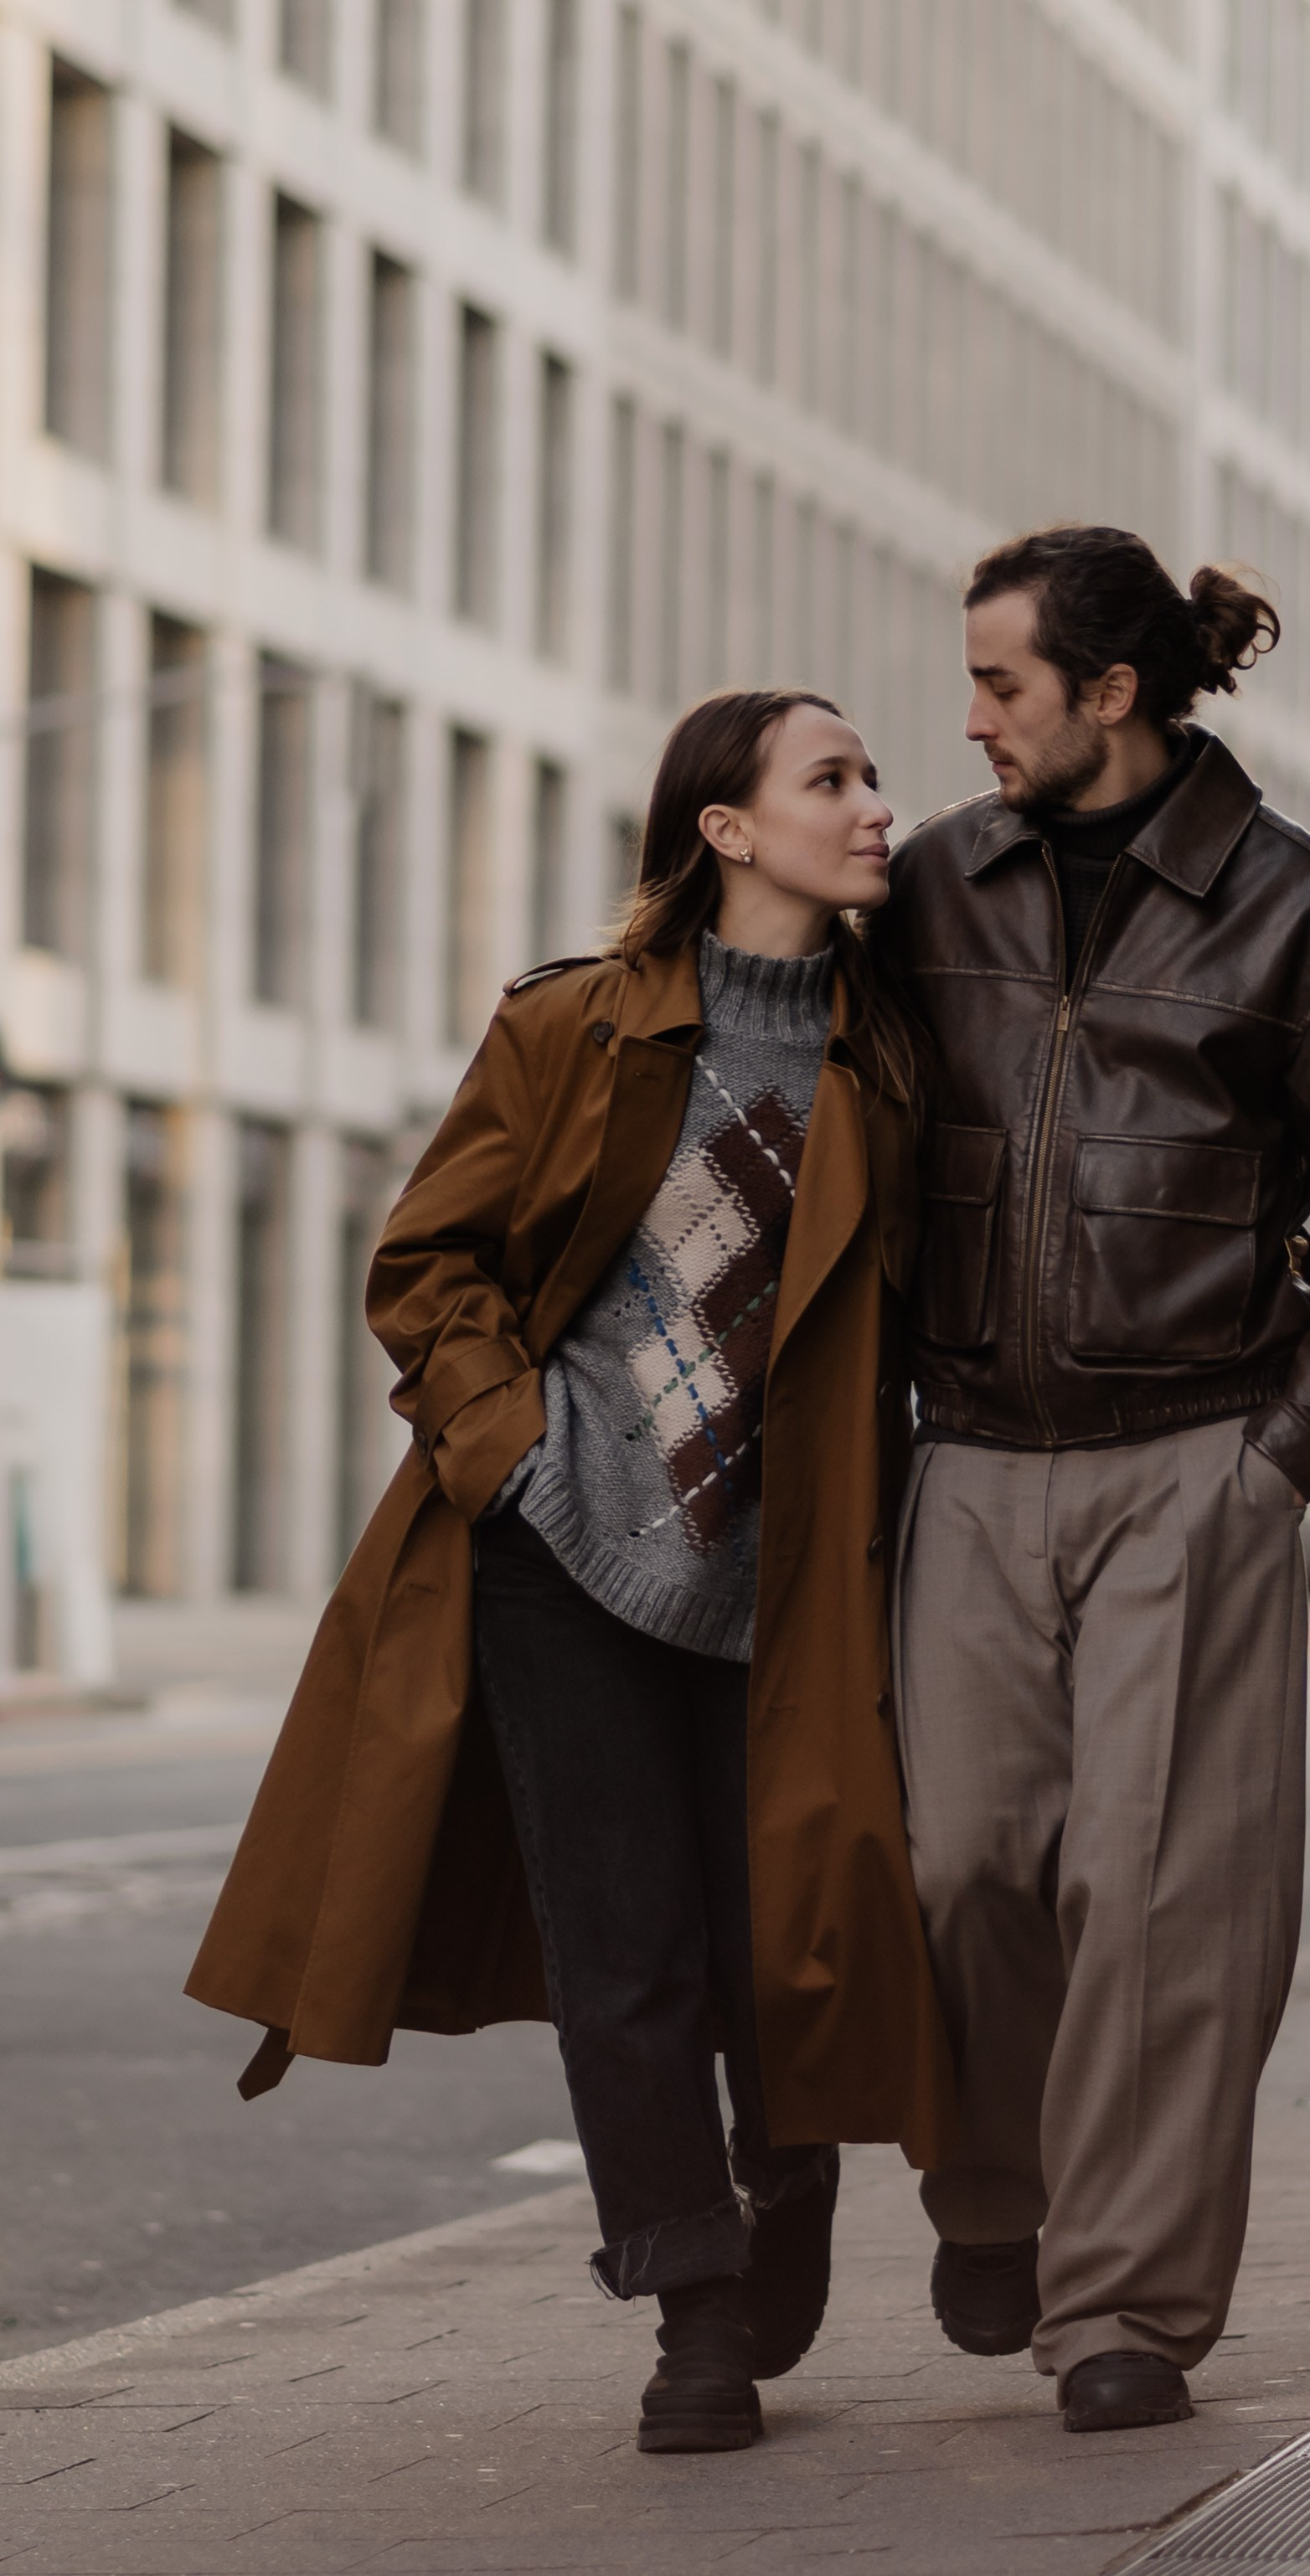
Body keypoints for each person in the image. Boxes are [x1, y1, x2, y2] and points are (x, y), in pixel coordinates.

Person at [188, 688, 954, 2458]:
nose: (875, 806)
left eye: (871, 777)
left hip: (793, 1585)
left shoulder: (899, 1061)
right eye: (832, 779)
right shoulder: (572, 1029)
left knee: (784, 1941)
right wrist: (514, 1454)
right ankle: (692, 2309)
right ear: (726, 829)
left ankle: (786, 2186)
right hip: (564, 1560)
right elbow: (426, 1263)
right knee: (629, 1952)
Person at [876, 526, 1310, 2436]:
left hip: (1193, 1457)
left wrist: (1283, 1461)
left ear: (1110, 692)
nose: (974, 722)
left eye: (1001, 685)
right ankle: (1001, 2195)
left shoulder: (1298, 910)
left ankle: (1124, 2303)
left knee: (1161, 1904)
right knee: (962, 1867)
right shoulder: (931, 886)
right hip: (972, 1456)